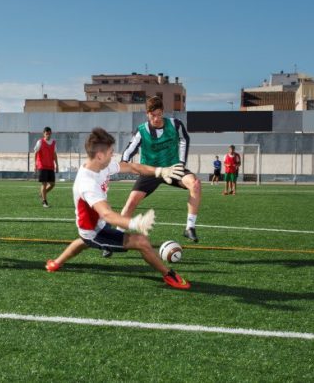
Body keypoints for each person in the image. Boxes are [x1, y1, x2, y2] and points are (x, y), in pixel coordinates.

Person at [45, 127, 190, 290]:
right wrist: (135, 223)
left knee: (83, 241)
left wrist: (160, 171)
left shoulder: (102, 165)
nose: (113, 155)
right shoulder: (87, 183)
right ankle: (169, 275)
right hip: (94, 230)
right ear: (100, 156)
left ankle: (56, 263)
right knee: (141, 242)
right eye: (110, 153)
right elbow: (106, 214)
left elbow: (133, 168)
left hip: (94, 224)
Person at [120, 96, 201, 245]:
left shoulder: (175, 124)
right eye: (153, 115)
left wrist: (181, 163)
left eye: (159, 114)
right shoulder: (141, 130)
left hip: (172, 168)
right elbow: (129, 149)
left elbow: (184, 139)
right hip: (151, 171)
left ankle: (189, 227)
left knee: (195, 184)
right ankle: (116, 236)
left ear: (163, 112)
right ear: (147, 114)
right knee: (131, 202)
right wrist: (124, 163)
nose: (156, 118)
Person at [34, 126, 59, 208]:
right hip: (42, 165)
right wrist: (35, 165)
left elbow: (54, 154)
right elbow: (35, 153)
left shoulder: (53, 143)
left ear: (51, 133)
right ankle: (44, 202)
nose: (48, 135)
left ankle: (42, 193)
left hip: (50, 166)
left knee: (52, 184)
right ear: (44, 134)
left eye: (49, 133)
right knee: (44, 184)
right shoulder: (40, 142)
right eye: (46, 133)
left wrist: (57, 165)